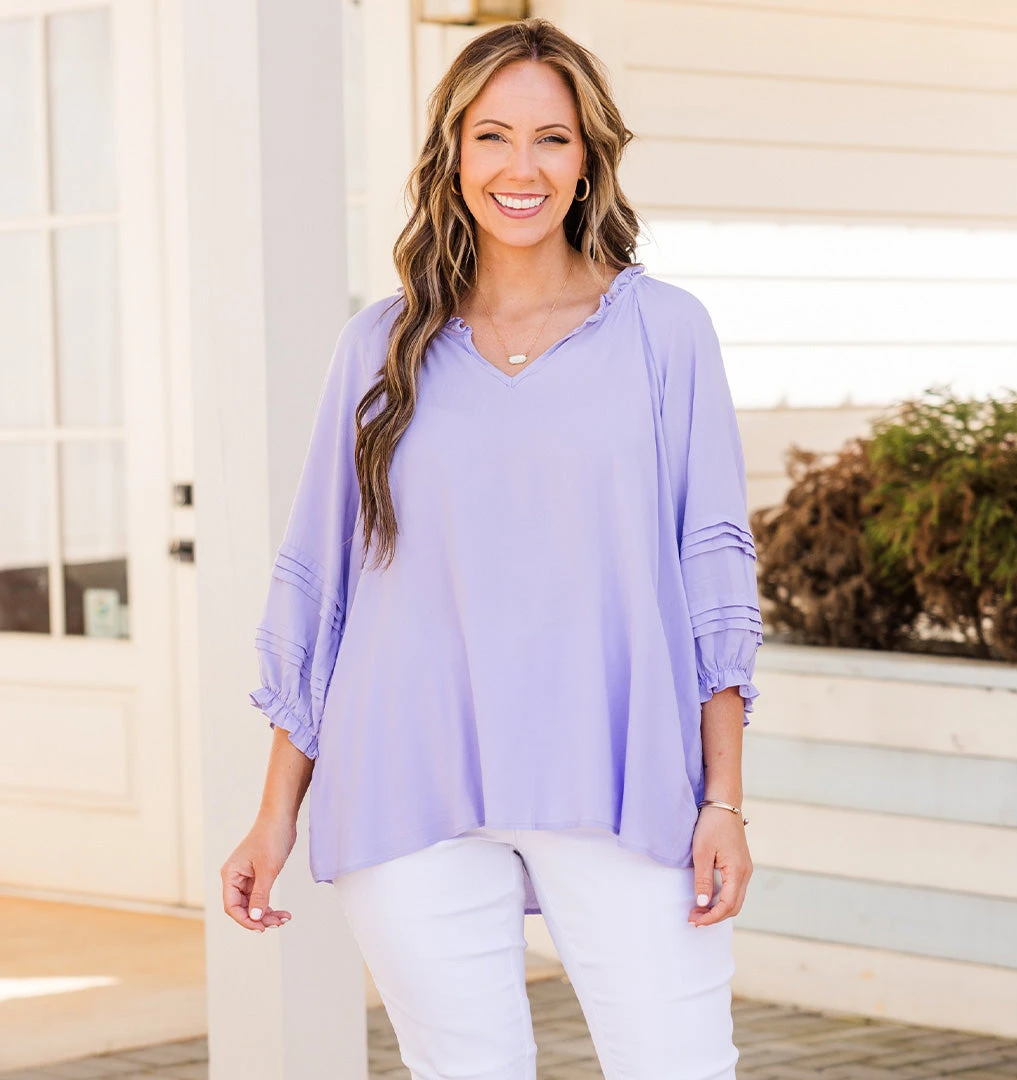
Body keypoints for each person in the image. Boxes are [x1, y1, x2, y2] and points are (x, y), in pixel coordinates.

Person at [222, 16, 762, 1080]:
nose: (523, 168)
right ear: (453, 155)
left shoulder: (664, 332)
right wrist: (274, 814)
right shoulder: (379, 346)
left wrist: (724, 801)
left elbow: (713, 580)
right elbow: (325, 588)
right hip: (407, 781)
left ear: (588, 158)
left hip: (620, 777)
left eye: (552, 138)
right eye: (493, 137)